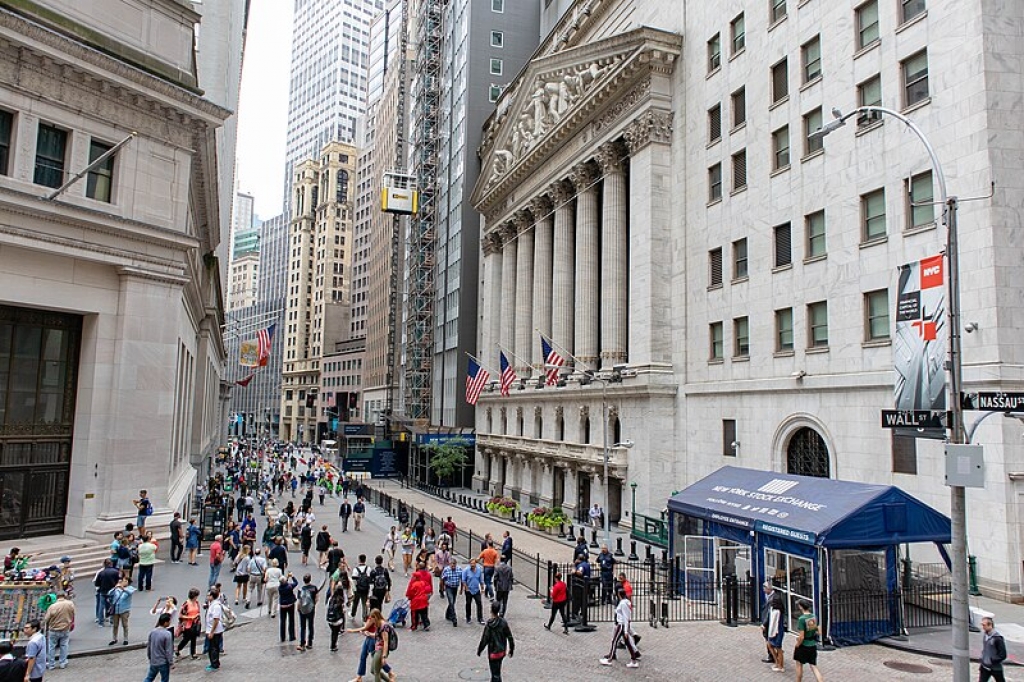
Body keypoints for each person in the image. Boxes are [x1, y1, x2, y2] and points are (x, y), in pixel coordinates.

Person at [346, 609, 392, 682]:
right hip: (377, 647)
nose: (370, 620)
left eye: (371, 618)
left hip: (380, 649)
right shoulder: (378, 624)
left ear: (375, 617)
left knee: (376, 671)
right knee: (373, 670)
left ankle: (389, 672)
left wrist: (384, 656)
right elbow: (377, 636)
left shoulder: (384, 626)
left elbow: (385, 642)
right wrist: (368, 633)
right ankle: (390, 678)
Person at [600, 588, 640, 668]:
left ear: (619, 595)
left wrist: (625, 631)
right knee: (628, 643)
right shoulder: (626, 602)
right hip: (623, 625)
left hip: (621, 625)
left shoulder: (623, 603)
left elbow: (625, 617)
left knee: (614, 641)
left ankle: (609, 659)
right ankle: (633, 660)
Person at [477, 600, 515, 682]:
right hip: (501, 651)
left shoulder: (489, 625)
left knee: (495, 674)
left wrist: (480, 650)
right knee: (497, 671)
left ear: (491, 610)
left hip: (493, 652)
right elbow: (510, 637)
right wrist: (511, 649)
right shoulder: (503, 622)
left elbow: (484, 639)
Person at [794, 599, 825, 682]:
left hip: (804, 645)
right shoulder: (813, 617)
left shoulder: (801, 619)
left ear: (801, 607)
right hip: (812, 644)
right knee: (813, 666)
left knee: (799, 664)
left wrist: (797, 644)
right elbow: (819, 632)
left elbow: (801, 636)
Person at [43, 592, 74, 671]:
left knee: (51, 646)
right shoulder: (70, 604)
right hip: (65, 628)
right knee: (64, 645)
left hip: (54, 629)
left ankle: (51, 664)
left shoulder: (52, 606)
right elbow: (73, 614)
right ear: (65, 596)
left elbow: (46, 619)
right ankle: (62, 663)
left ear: (57, 597)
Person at [143, 613, 174, 682]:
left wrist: (150, 657)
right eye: (169, 621)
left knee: (149, 678)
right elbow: (168, 650)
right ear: (165, 622)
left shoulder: (153, 632)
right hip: (163, 662)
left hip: (154, 660)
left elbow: (149, 646)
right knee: (164, 679)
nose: (170, 623)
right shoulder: (167, 634)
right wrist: (171, 662)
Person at [108, 576, 137, 646]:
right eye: (122, 581)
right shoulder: (116, 589)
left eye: (124, 581)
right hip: (116, 610)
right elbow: (109, 594)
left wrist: (123, 588)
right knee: (115, 625)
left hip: (124, 610)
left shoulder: (130, 588)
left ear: (127, 582)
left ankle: (125, 639)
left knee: (125, 625)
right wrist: (115, 588)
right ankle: (114, 639)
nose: (122, 582)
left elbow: (129, 593)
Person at [175, 588, 203, 660]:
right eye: (196, 596)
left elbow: (198, 612)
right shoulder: (186, 604)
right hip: (187, 624)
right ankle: (178, 649)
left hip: (195, 623)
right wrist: (190, 617)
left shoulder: (196, 603)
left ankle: (193, 653)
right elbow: (181, 615)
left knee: (194, 638)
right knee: (186, 639)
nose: (197, 597)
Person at [979, 616, 1007, 682]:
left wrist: (993, 660)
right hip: (985, 666)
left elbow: (1003, 654)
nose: (983, 627)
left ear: (990, 625)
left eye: (984, 625)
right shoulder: (985, 635)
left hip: (995, 668)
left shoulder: (997, 638)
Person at [93, 558, 120, 626]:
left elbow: (97, 583)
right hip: (112, 591)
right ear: (111, 564)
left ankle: (100, 622)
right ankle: (111, 621)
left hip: (103, 591)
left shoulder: (101, 573)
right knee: (112, 605)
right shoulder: (115, 572)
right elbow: (118, 581)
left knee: (101, 606)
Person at [766, 583, 786, 672]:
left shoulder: (776, 612)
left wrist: (771, 634)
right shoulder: (776, 610)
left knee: (778, 647)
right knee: (771, 645)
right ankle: (778, 662)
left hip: (777, 631)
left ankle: (780, 665)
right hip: (777, 630)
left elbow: (774, 623)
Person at [204, 587, 225, 672]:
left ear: (212, 596)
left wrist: (212, 632)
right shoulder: (212, 604)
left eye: (208, 595)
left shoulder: (216, 606)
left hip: (214, 631)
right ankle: (214, 662)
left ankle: (214, 664)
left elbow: (216, 620)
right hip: (212, 629)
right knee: (213, 647)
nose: (207, 597)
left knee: (213, 648)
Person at [296, 573, 319, 651]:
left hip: (302, 610)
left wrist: (298, 609)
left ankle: (302, 644)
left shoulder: (300, 589)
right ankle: (310, 643)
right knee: (310, 625)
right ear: (310, 579)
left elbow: (299, 602)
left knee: (303, 627)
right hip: (311, 610)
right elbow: (316, 598)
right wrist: (313, 605)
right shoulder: (314, 588)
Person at [326, 576, 348, 652]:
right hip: (337, 620)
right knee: (335, 633)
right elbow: (343, 610)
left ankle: (333, 644)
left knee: (333, 632)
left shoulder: (331, 598)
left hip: (330, 619)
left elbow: (327, 607)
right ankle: (333, 645)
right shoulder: (341, 600)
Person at [462, 557, 484, 625]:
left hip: (476, 589)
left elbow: (481, 580)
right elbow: (463, 580)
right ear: (469, 564)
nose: (472, 565)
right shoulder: (466, 570)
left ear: (476, 564)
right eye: (471, 563)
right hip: (469, 590)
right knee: (468, 603)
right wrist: (466, 587)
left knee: (479, 603)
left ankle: (480, 618)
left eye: (474, 563)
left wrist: (482, 588)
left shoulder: (479, 570)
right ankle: (468, 617)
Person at [441, 556, 462, 627]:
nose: (453, 565)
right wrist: (442, 588)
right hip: (448, 587)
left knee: (452, 602)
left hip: (455, 588)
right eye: (451, 564)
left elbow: (462, 580)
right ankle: (454, 618)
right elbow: (442, 579)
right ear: (449, 564)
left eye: (454, 564)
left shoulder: (459, 569)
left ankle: (447, 614)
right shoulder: (446, 570)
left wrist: (461, 589)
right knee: (451, 601)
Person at [278, 571, 299, 643]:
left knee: (282, 621)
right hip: (290, 605)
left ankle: (282, 637)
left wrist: (286, 577)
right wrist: (292, 576)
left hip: (282, 606)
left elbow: (283, 582)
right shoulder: (289, 587)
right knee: (291, 620)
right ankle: (292, 636)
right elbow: (296, 583)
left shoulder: (280, 588)